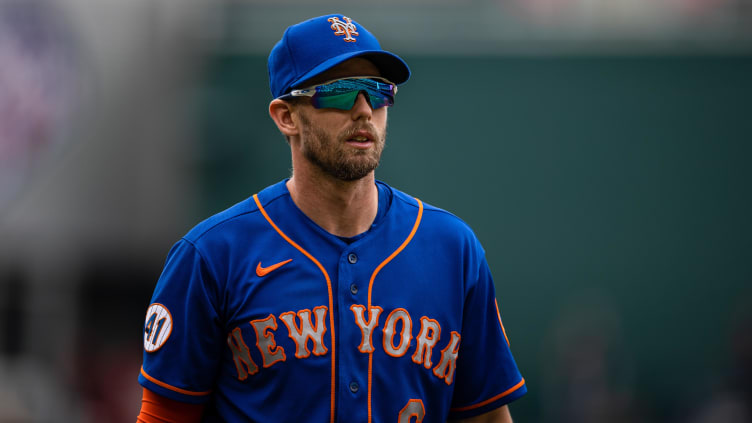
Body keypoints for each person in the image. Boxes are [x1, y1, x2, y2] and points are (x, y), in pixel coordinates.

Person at [136, 14, 526, 423]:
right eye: (339, 92)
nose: (363, 110)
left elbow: (487, 416)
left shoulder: (453, 249)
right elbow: (164, 416)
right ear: (286, 116)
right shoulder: (212, 255)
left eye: (377, 92)